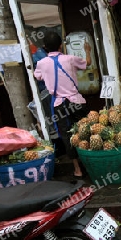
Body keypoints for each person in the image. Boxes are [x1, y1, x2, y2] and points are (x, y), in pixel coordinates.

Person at [34, 31, 91, 178]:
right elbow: (87, 64)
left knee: (67, 136)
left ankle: (77, 169)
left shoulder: (41, 63)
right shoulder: (70, 59)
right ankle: (91, 163)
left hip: (59, 104)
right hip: (76, 102)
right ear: (61, 46)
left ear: (45, 47)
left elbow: (37, 76)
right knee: (85, 131)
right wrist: (87, 51)